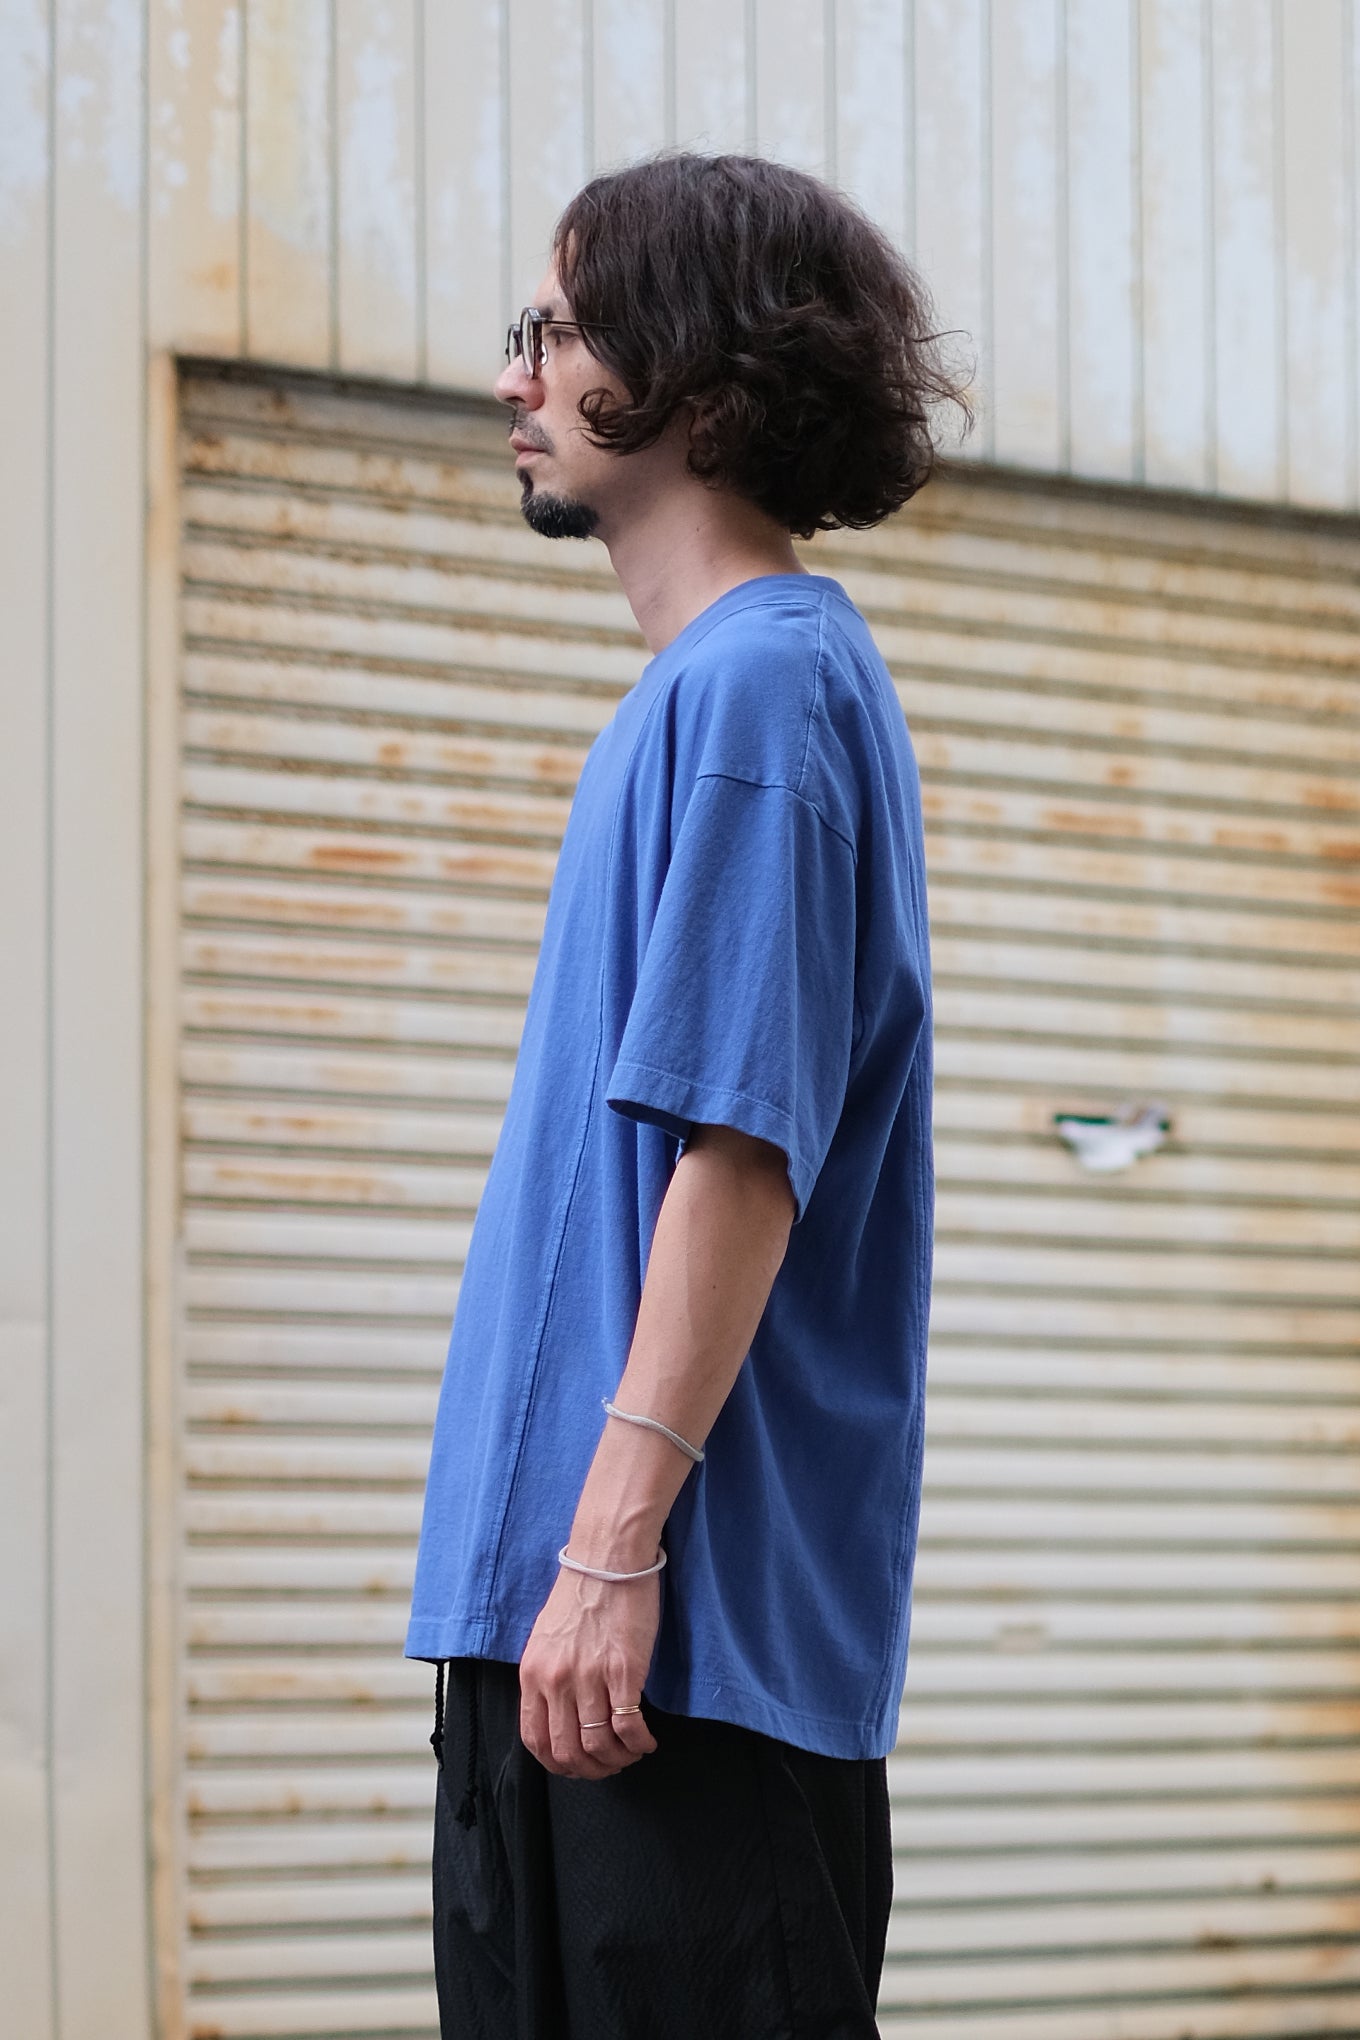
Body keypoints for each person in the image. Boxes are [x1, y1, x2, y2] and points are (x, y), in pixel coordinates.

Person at [405, 150, 968, 2039]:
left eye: (555, 331)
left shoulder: (764, 694)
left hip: (673, 1658)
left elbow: (744, 1152)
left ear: (701, 374)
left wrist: (611, 1549)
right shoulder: (688, 704)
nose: (515, 377)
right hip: (557, 1637)